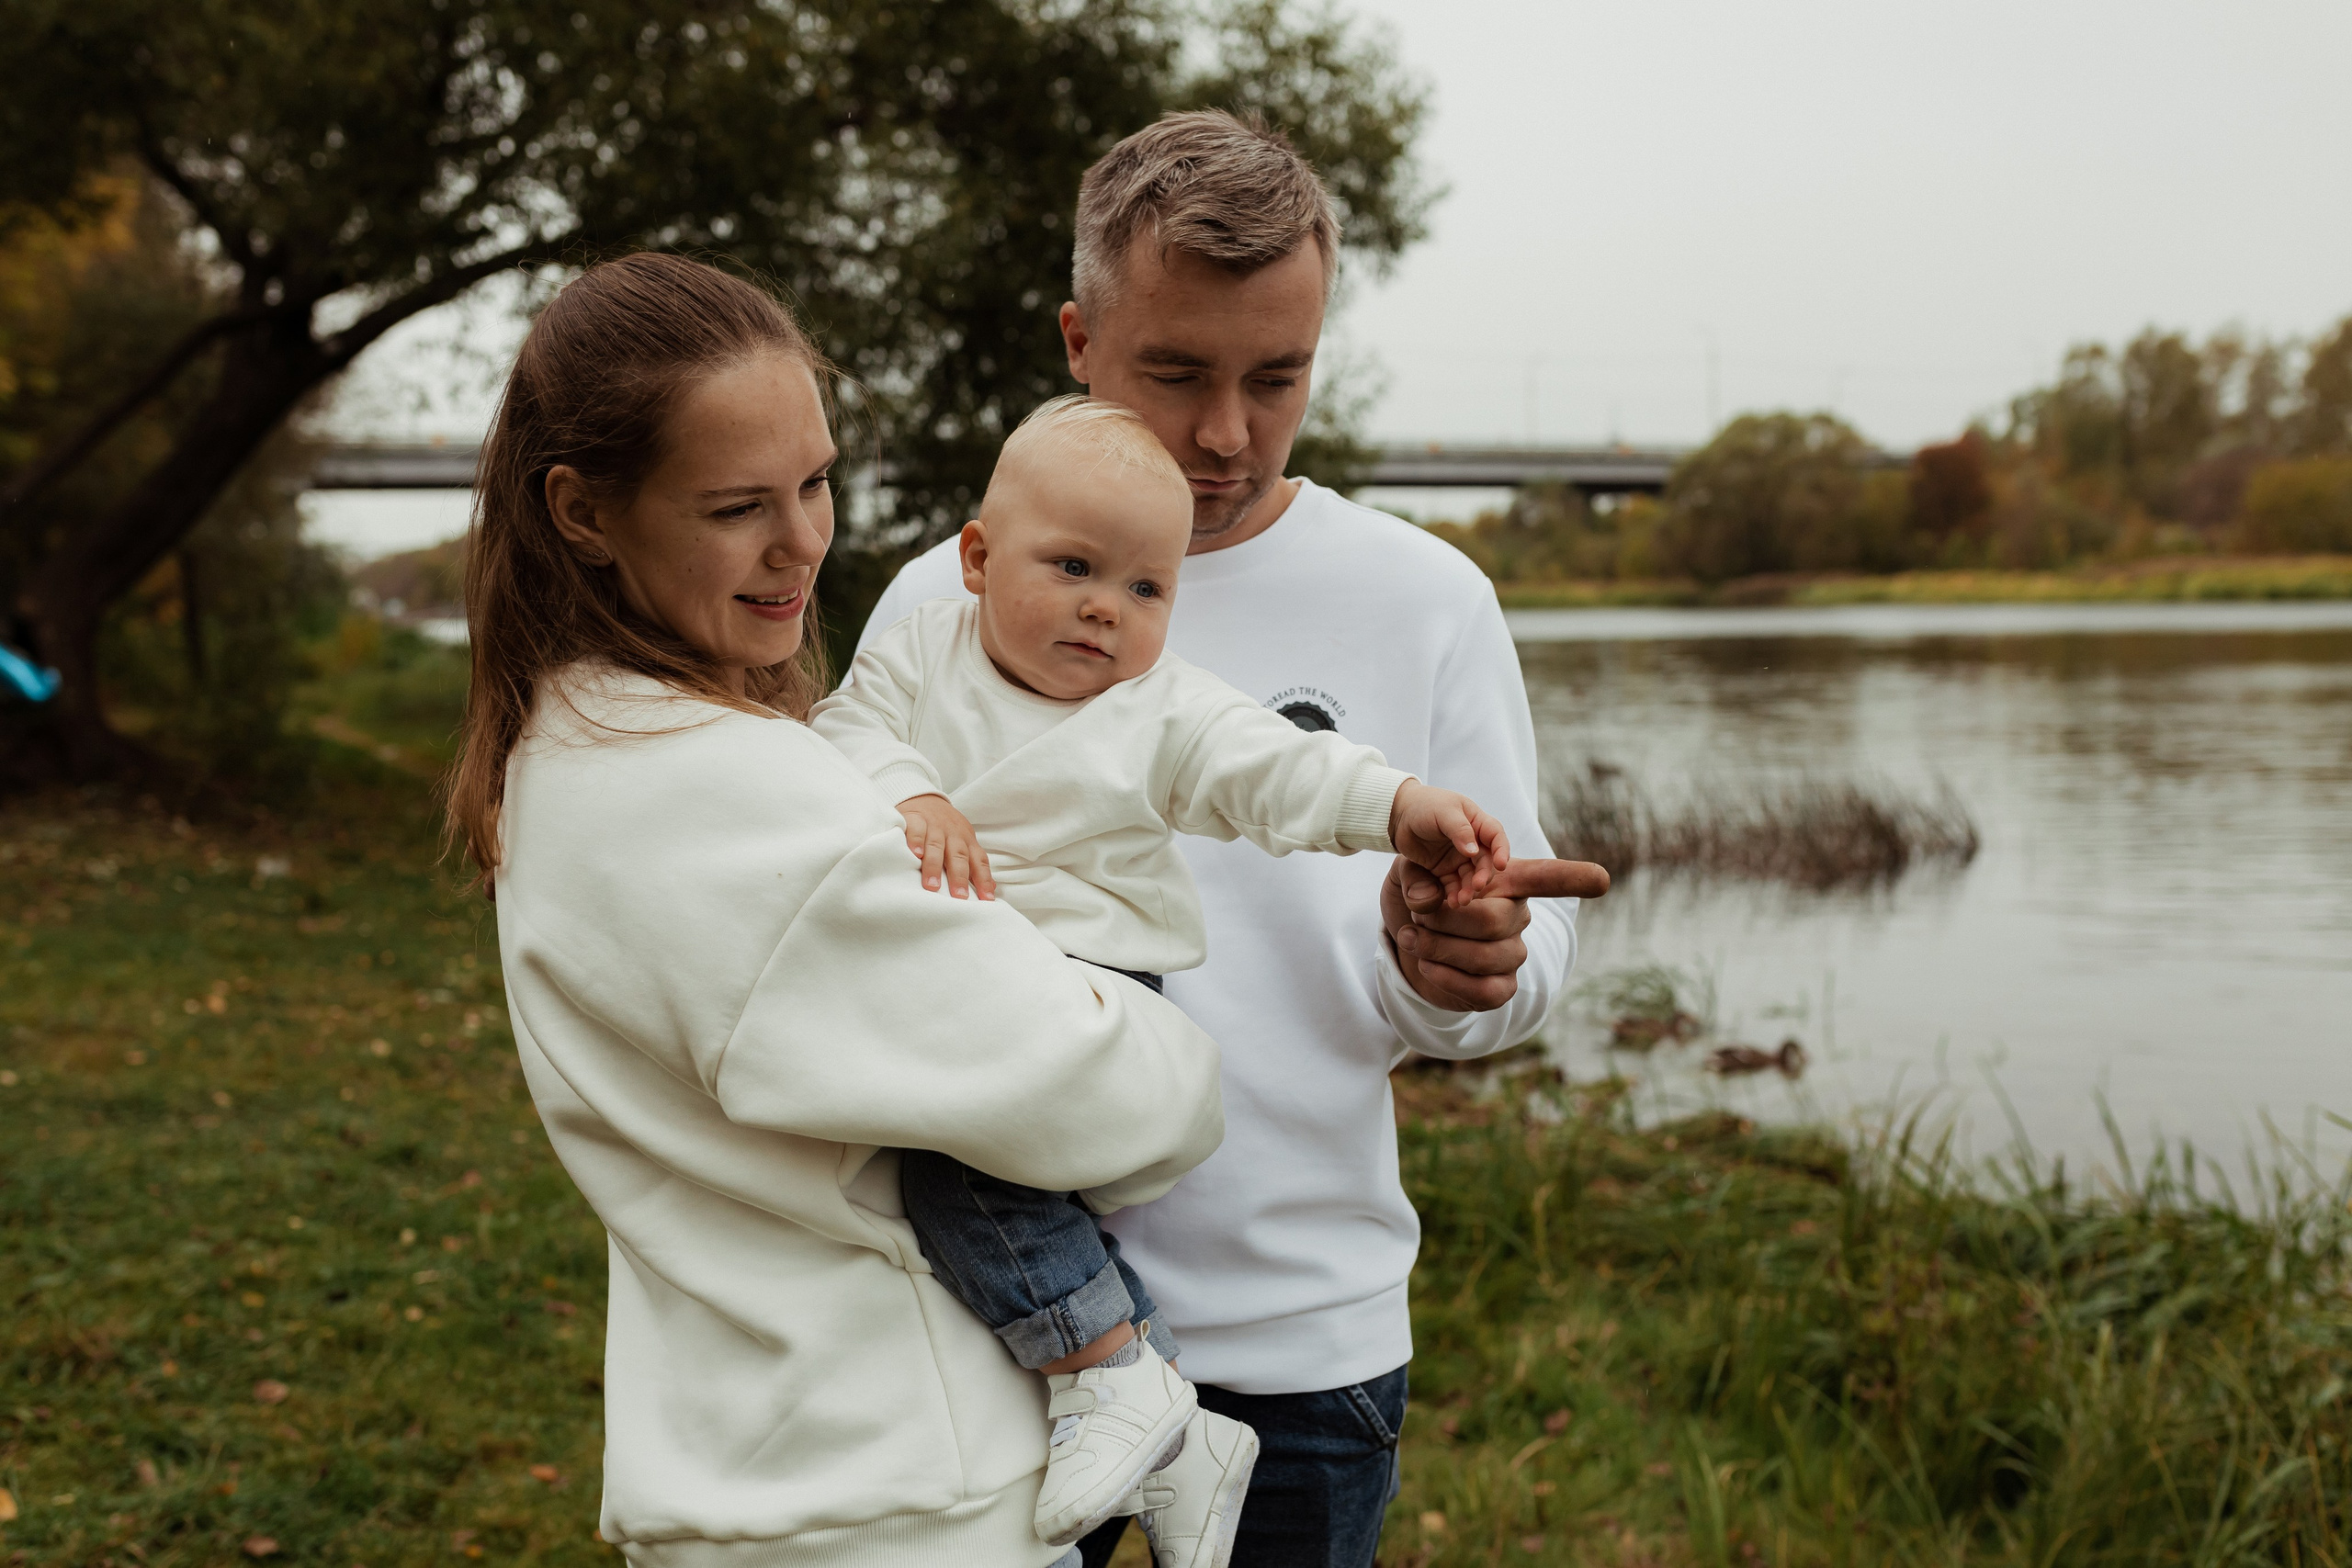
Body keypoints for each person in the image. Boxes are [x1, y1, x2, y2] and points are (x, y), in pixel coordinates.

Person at [858, 112, 1607, 1567]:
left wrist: (1460, 969)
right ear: (1080, 339)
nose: (1226, 432)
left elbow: (1517, 963)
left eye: (1279, 378)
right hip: (982, 1334)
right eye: (1177, 373)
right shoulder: (936, 607)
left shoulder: (1428, 599)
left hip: (1306, 1344)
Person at [446, 251, 1230, 1568]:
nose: (803, 538)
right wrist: (1170, 1042)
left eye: (814, 480)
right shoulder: (716, 792)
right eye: (738, 503)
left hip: (763, 1464)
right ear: (583, 510)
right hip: (892, 1500)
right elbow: (1113, 1094)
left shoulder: (568, 751)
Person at [808, 394, 1514, 1564]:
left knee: (957, 1171)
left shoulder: (1161, 707)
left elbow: (1276, 772)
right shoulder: (924, 647)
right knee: (994, 1195)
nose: (1107, 609)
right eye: (1075, 568)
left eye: (1146, 590)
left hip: (1094, 985)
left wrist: (1398, 808)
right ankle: (1162, 1406)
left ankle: (1112, 1372)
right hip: (962, 982)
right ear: (978, 561)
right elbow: (842, 732)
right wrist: (914, 793)